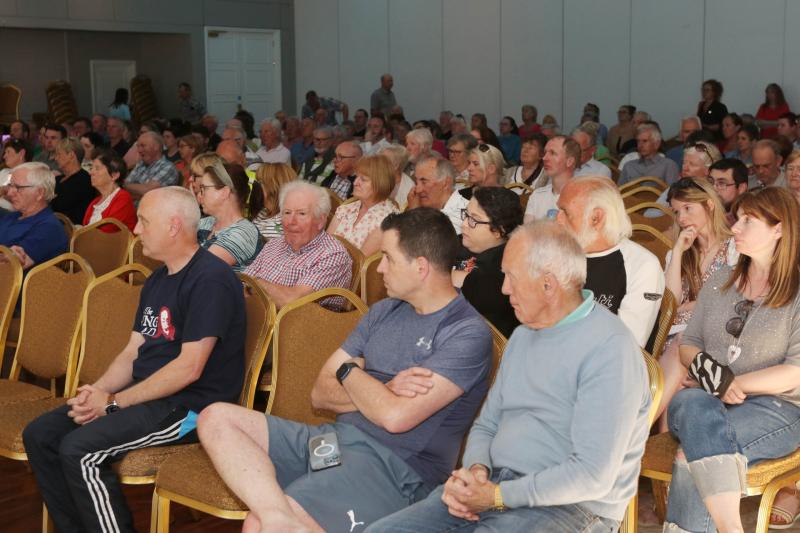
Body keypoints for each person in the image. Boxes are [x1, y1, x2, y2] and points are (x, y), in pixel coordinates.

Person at [198, 207, 491, 532]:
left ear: (420, 266)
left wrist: (349, 373)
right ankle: (277, 515)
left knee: (256, 525)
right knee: (217, 418)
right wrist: (386, 389)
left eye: (388, 258)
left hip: (392, 468)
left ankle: (275, 518)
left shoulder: (465, 332)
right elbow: (320, 394)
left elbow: (396, 419)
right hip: (335, 443)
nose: (379, 269)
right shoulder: (384, 311)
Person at [369, 220, 650, 532]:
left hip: (570, 507)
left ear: (548, 285)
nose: (503, 289)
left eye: (510, 278)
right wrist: (477, 471)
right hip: (497, 486)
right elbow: (487, 425)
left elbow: (592, 476)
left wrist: (498, 497)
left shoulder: (609, 349)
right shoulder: (523, 335)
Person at [22, 186, 246, 532]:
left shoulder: (211, 279)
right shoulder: (158, 278)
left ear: (173, 226)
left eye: (143, 221)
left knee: (80, 450)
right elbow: (132, 352)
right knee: (41, 434)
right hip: (147, 394)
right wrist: (95, 392)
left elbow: (190, 368)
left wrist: (112, 403)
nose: (136, 230)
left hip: (189, 406)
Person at [663, 187, 800, 532]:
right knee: (691, 400)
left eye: (747, 220)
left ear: (779, 229)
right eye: (737, 218)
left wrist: (734, 384)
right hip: (706, 399)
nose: (734, 227)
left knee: (689, 457)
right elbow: (688, 344)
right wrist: (716, 381)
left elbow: (795, 371)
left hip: (779, 409)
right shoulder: (720, 282)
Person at [657, 178, 737, 432]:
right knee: (678, 356)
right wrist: (679, 252)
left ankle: (635, 429)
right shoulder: (678, 253)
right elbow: (670, 304)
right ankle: (655, 450)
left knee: (683, 342)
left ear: (710, 205)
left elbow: (734, 300)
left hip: (714, 334)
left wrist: (697, 304)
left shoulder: (734, 248)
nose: (681, 218)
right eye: (676, 211)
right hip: (672, 336)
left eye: (688, 208)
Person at [556, 176, 664, 346]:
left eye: (566, 213)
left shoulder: (642, 266)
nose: (558, 220)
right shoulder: (561, 255)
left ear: (596, 218)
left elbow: (627, 344)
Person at [244, 181, 352, 309]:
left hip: (296, 327)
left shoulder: (332, 255)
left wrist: (256, 284)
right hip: (253, 318)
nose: (291, 221)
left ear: (320, 220)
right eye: (287, 212)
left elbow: (292, 302)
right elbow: (244, 281)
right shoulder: (275, 243)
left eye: (302, 214)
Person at [453, 186, 522, 337]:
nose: (464, 224)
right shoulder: (468, 244)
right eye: (466, 215)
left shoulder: (500, 272)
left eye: (474, 220)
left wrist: (454, 274)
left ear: (499, 230)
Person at [195, 162, 262, 272]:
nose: (199, 195)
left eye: (204, 188)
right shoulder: (207, 222)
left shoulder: (244, 232)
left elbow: (201, 268)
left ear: (224, 192)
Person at [0, 162, 68, 269]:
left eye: (18, 187)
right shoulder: (14, 216)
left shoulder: (49, 228)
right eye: (10, 186)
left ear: (40, 193)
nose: (9, 193)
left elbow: (11, 268)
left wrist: (6, 256)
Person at [329, 154, 398, 257]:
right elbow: (325, 244)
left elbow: (361, 262)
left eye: (363, 179)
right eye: (356, 177)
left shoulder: (388, 219)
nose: (355, 182)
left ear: (380, 184)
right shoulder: (347, 208)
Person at [523, 135, 579, 223]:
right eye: (545, 153)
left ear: (569, 162)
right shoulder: (537, 195)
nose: (544, 158)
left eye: (553, 153)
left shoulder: (582, 197)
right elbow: (526, 232)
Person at [407, 157, 469, 234]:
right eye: (416, 182)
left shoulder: (463, 215)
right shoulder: (424, 207)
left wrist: (414, 213)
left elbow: (422, 243)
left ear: (446, 183)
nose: (417, 190)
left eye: (424, 182)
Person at [83, 149, 137, 232]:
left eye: (97, 168)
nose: (91, 172)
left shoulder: (123, 198)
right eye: (91, 168)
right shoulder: (95, 202)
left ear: (114, 175)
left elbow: (107, 232)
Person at [124, 132, 180, 201]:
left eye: (143, 146)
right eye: (138, 146)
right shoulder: (140, 164)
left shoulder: (168, 167)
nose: (139, 150)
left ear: (156, 147)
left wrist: (124, 185)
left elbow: (147, 190)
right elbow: (125, 188)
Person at [51, 138, 95, 225]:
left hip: (70, 229)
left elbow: (60, 205)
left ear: (71, 155)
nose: (55, 158)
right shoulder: (57, 179)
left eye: (58, 154)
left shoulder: (83, 180)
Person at [251, 163, 296, 241]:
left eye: (259, 183)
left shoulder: (276, 229)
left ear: (273, 188)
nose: (255, 186)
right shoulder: (264, 211)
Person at [710, 158, 750, 224]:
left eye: (721, 183)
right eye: (710, 182)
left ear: (741, 188)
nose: (713, 188)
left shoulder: (748, 219)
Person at [380, 144, 415, 211]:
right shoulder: (374, 177)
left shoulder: (409, 187)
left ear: (395, 165)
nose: (377, 163)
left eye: (383, 160)